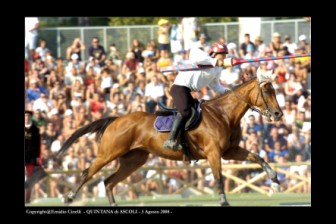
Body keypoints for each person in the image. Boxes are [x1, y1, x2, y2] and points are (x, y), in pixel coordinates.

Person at [163, 41, 230, 150]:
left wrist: (231, 91)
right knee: (185, 112)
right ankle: (170, 139)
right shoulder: (202, 56)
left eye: (225, 55)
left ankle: (186, 140)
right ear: (213, 53)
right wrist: (215, 61)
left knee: (197, 111)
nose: (225, 57)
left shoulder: (217, 68)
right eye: (222, 54)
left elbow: (216, 86)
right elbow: (194, 52)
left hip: (187, 90)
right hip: (179, 87)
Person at [25, 110, 42, 203]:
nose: (26, 118)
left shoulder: (35, 129)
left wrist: (38, 157)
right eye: (25, 116)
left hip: (31, 157)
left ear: (30, 118)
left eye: (28, 116)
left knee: (30, 178)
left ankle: (27, 199)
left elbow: (38, 145)